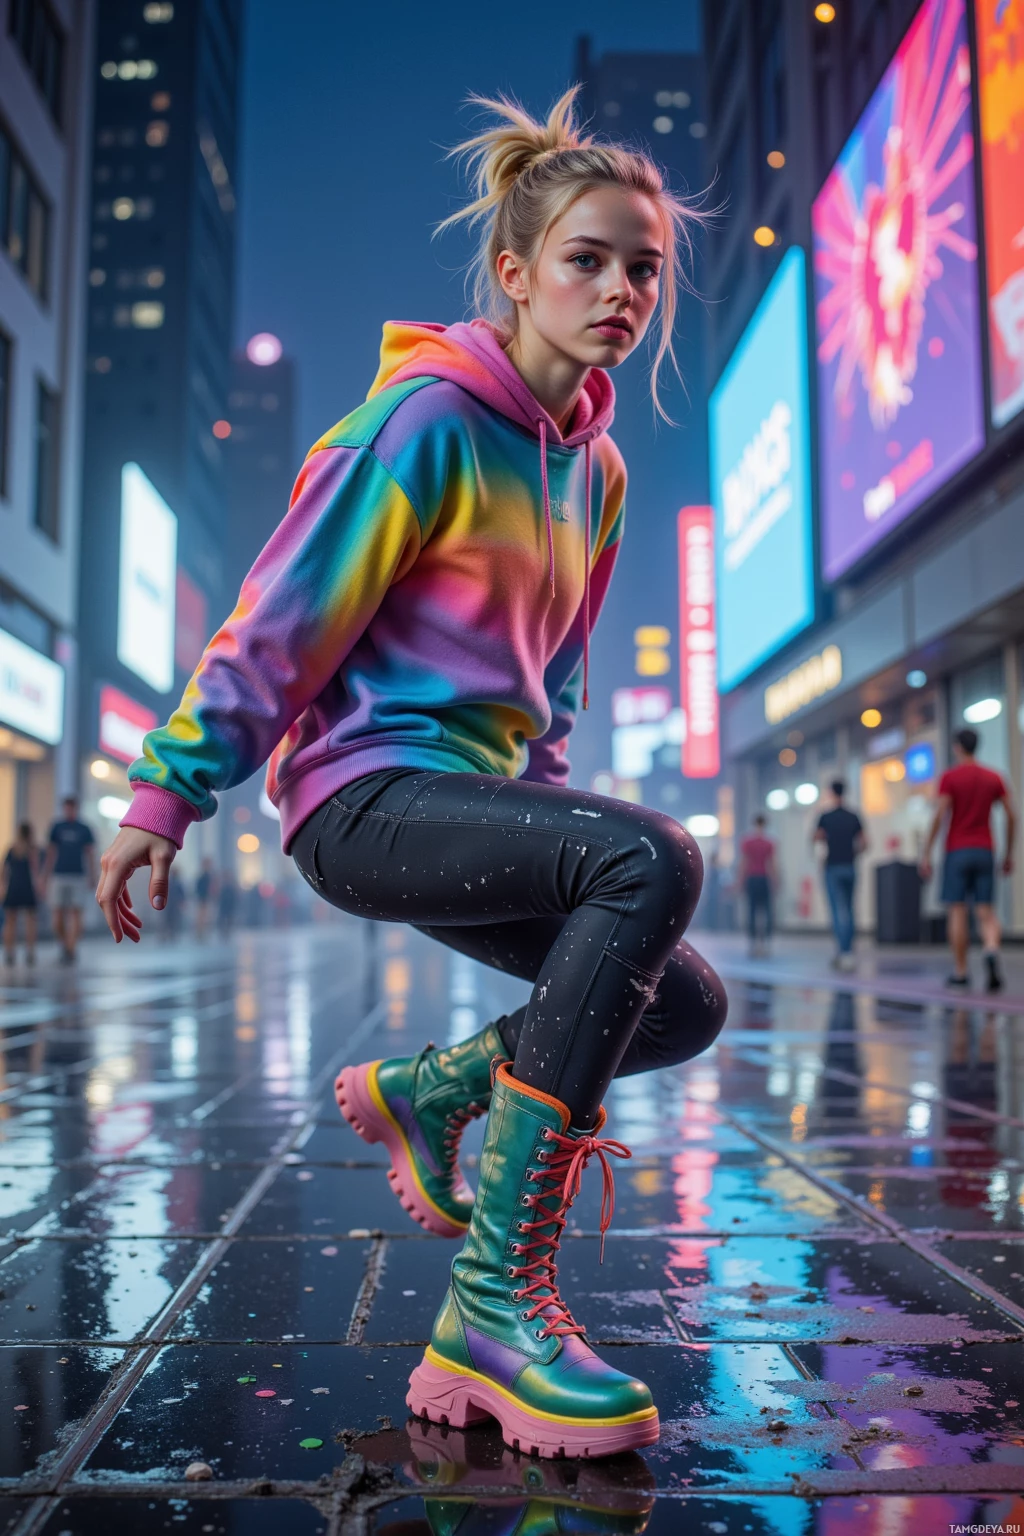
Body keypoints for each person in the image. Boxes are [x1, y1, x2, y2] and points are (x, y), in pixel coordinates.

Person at [94, 89, 727, 1460]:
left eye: (644, 268)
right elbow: (280, 618)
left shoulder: (599, 473)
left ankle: (434, 1088)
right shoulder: (421, 423)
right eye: (587, 259)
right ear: (513, 272)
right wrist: (167, 795)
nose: (620, 289)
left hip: (476, 807)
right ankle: (491, 1309)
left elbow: (550, 690)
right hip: (365, 802)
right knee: (656, 859)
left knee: (678, 1002)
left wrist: (558, 813)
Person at [920, 727, 1016, 992]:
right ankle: (991, 949)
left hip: (957, 851)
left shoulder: (950, 778)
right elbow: (1011, 816)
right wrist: (1008, 853)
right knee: (986, 910)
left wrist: (926, 852)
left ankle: (961, 972)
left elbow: (940, 815)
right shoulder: (993, 777)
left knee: (957, 910)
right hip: (986, 850)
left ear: (957, 747)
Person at [814, 779, 866, 971]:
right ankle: (849, 952)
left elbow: (816, 838)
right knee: (851, 910)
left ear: (830, 792)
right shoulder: (854, 816)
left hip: (832, 866)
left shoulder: (825, 816)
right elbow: (865, 842)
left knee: (837, 911)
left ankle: (842, 952)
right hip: (850, 866)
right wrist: (853, 852)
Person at [44, 797, 96, 964]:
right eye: (67, 808)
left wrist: (92, 875)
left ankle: (71, 949)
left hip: (78, 875)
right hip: (59, 875)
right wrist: (44, 876)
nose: (69, 811)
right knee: (57, 917)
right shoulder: (57, 827)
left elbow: (89, 854)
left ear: (76, 809)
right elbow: (51, 853)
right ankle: (65, 944)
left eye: (72, 808)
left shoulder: (84, 829)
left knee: (76, 913)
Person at [2, 823, 42, 966]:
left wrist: (3, 887)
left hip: (13, 887)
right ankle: (30, 952)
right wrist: (39, 887)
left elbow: (4, 870)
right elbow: (35, 870)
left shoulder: (12, 849)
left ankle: (9, 953)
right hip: (27, 888)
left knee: (10, 921)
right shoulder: (33, 850)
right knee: (30, 921)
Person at [739, 814, 776, 956]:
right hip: (764, 878)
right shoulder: (769, 843)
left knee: (752, 911)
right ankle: (766, 943)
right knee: (766, 911)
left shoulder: (747, 842)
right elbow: (772, 864)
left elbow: (744, 863)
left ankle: (753, 944)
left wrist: (741, 881)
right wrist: (775, 880)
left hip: (752, 878)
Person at [194, 858, 216, 939]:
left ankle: (203, 933)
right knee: (202, 918)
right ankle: (200, 933)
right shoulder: (203, 876)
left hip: (205, 899)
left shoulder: (208, 876)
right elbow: (199, 888)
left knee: (205, 918)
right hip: (203, 899)